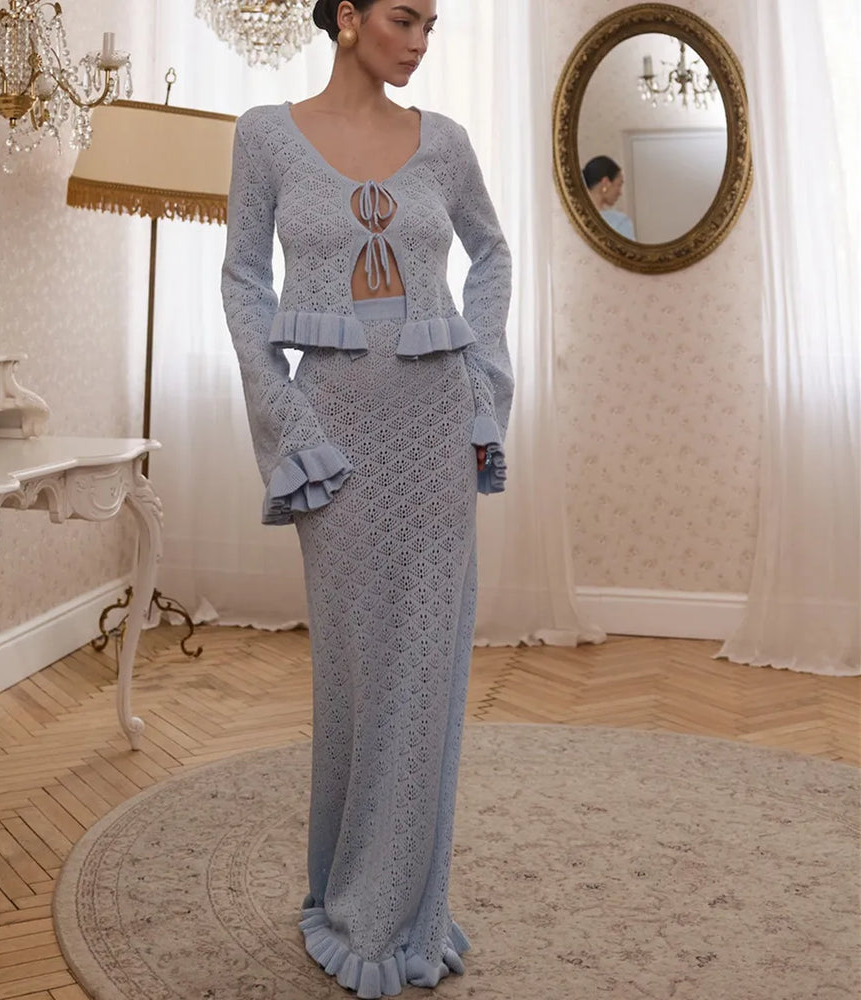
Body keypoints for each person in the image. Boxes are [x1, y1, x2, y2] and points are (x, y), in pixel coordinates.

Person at [221, 1, 513, 996]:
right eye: (404, 17)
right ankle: (347, 895)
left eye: (432, 23)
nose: (422, 39)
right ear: (345, 17)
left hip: (433, 435)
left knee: (426, 675)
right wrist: (287, 424)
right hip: (334, 440)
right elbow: (243, 285)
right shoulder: (264, 137)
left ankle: (399, 912)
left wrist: (483, 389)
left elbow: (495, 255)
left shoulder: (447, 145)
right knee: (354, 676)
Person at [583, 154, 636, 239]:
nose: (620, 192)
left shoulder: (574, 219)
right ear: (606, 183)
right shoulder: (620, 222)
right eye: (618, 185)